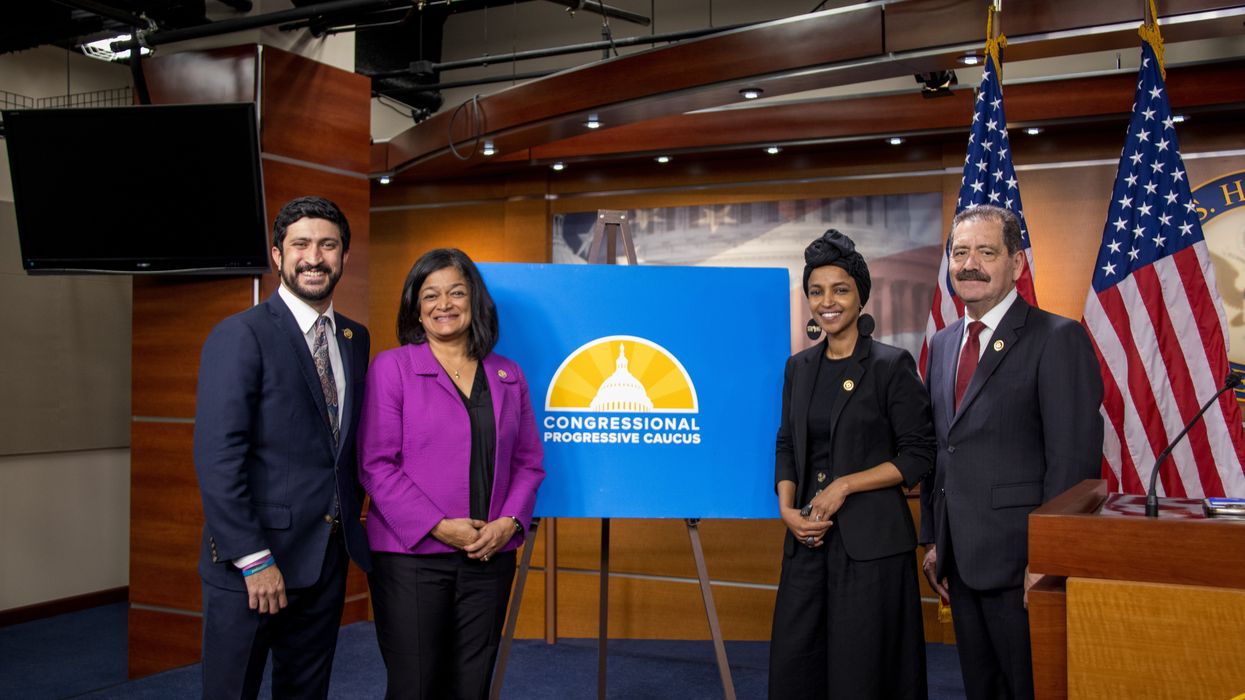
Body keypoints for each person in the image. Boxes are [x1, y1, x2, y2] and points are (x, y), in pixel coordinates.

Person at [920, 204, 1104, 700]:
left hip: (1023, 565)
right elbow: (944, 447)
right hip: (959, 561)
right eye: (960, 253)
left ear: (1017, 264)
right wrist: (936, 539)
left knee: (1031, 690)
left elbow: (1073, 462)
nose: (969, 264)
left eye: (985, 251)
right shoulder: (940, 344)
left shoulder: (1057, 338)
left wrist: (1047, 559)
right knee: (982, 690)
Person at [193, 196, 372, 699]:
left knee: (305, 692)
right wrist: (254, 559)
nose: (314, 256)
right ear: (277, 255)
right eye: (301, 244)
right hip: (254, 563)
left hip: (325, 560)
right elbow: (218, 455)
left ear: (343, 256)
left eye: (327, 244)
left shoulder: (355, 338)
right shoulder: (240, 334)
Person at [358, 248, 545, 700]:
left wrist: (510, 523)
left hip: (489, 554)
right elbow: (375, 464)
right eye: (430, 295)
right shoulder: (392, 368)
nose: (444, 304)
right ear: (416, 310)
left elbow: (528, 461)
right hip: (412, 558)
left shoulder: (507, 374)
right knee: (415, 687)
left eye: (457, 292)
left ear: (475, 301)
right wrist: (441, 528)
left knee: (471, 686)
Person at [769, 229, 934, 700]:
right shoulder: (798, 368)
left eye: (840, 289)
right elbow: (786, 444)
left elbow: (918, 455)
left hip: (872, 548)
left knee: (862, 674)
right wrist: (786, 510)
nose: (828, 302)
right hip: (807, 540)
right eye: (816, 291)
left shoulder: (890, 365)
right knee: (796, 665)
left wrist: (845, 485)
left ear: (860, 294)